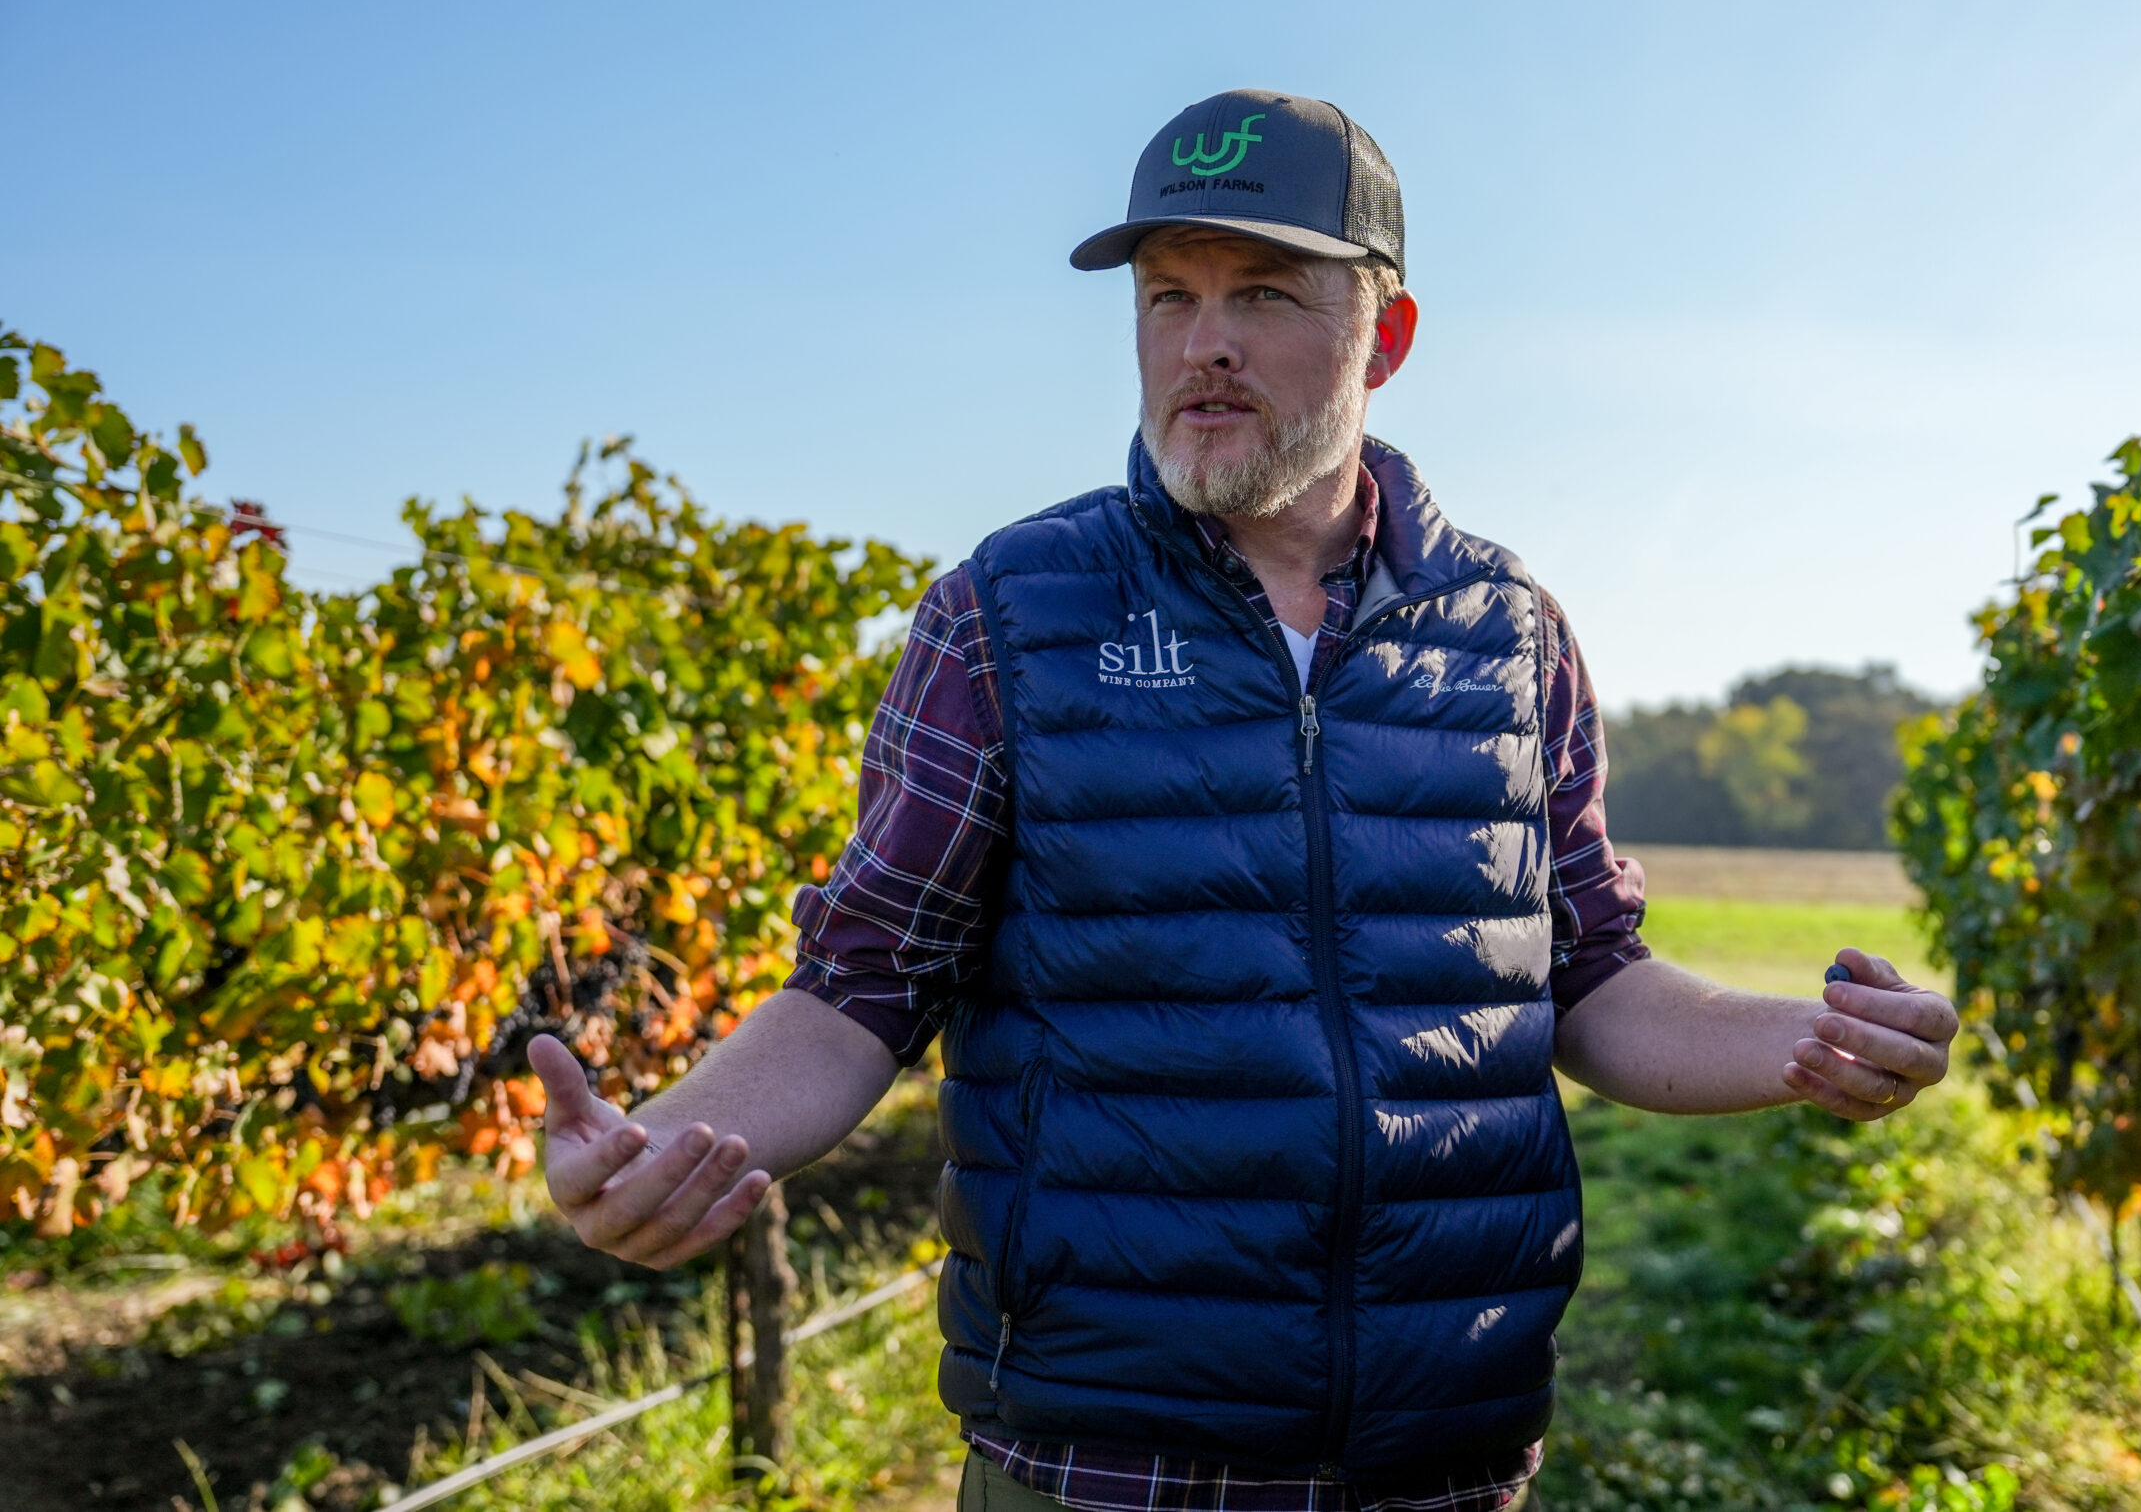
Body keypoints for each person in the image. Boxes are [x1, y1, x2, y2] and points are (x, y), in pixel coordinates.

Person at [529, 88, 1959, 1511]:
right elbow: (860, 988)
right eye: (1169, 298)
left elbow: (1585, 982)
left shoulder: (1507, 632)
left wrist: (1810, 1044)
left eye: (1264, 294)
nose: (1203, 342)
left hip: (1443, 1457)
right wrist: (666, 1144)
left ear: (1383, 339)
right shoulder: (1009, 616)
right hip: (1107, 1464)